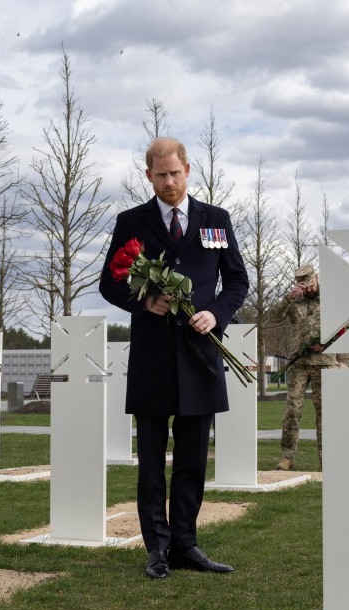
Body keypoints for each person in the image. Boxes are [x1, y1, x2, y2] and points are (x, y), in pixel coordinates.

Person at [99, 137, 249, 580]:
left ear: (188, 170)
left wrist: (216, 313)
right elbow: (109, 283)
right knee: (150, 462)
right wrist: (144, 303)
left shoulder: (215, 220)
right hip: (152, 361)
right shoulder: (131, 221)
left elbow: (238, 282)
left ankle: (186, 544)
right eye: (160, 174)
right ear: (148, 175)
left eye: (175, 173)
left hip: (201, 356)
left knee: (192, 461)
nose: (169, 181)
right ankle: (157, 550)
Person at [270, 264, 344, 472]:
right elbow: (273, 318)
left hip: (325, 362)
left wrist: (326, 345)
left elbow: (348, 326)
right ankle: (288, 457)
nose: (308, 289)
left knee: (325, 413)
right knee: (292, 409)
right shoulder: (295, 299)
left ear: (317, 278)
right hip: (299, 363)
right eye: (304, 286)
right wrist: (288, 298)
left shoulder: (333, 299)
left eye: (310, 284)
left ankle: (326, 460)